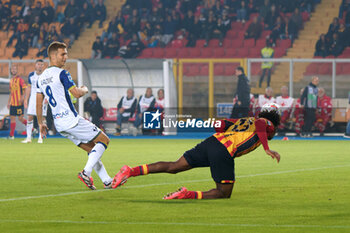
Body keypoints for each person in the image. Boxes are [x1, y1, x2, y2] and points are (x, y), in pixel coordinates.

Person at [111, 104, 282, 199]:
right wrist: (267, 149)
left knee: (174, 166)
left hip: (212, 143)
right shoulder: (265, 123)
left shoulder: (247, 120)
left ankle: (130, 171)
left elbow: (221, 125)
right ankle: (187, 194)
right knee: (224, 193)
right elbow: (261, 126)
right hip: (224, 151)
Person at [36, 42, 113, 190]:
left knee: (92, 151)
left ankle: (107, 181)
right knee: (104, 140)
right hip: (71, 120)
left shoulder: (41, 78)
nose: (66, 57)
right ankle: (86, 172)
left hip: (60, 125)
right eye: (62, 54)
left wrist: (41, 123)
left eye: (66, 53)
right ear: (53, 56)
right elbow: (76, 94)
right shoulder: (61, 73)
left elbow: (38, 103)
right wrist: (84, 89)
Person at [22, 60, 48, 144]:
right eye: (38, 64)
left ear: (43, 66)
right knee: (29, 116)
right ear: (35, 65)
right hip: (33, 98)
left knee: (41, 118)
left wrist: (47, 97)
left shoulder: (45, 75)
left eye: (41, 64)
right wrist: (26, 99)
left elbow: (48, 87)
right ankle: (28, 138)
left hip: (42, 98)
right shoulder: (31, 75)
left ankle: (40, 137)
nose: (40, 66)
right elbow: (29, 88)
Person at [7, 65, 28, 139]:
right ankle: (11, 135)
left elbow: (25, 88)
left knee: (20, 119)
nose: (13, 70)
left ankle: (32, 129)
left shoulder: (20, 80)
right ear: (11, 70)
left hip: (19, 103)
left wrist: (23, 97)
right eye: (12, 69)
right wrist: (9, 102)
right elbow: (11, 92)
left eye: (15, 69)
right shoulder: (11, 81)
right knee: (12, 118)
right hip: (13, 103)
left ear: (17, 71)